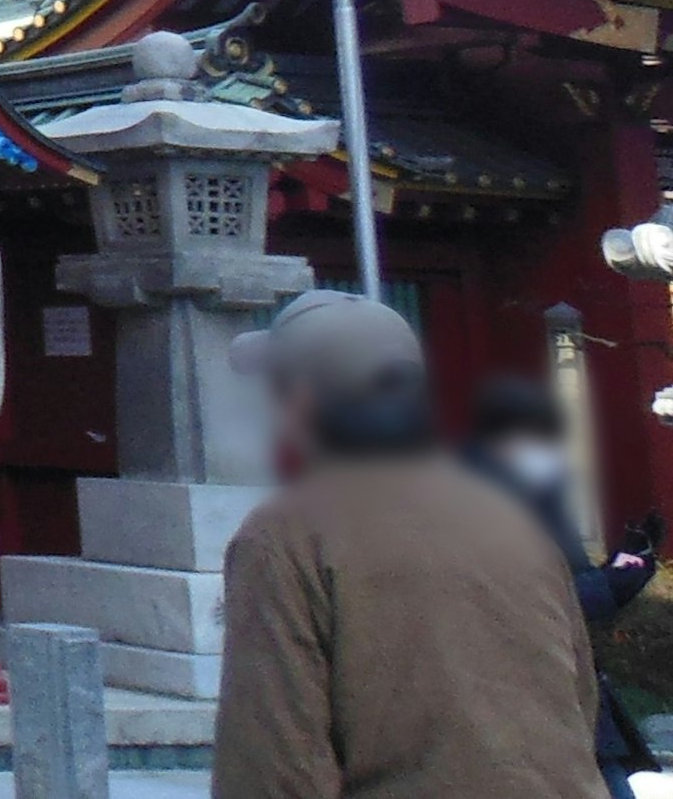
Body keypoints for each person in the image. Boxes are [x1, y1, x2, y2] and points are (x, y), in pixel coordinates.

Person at [213, 291, 602, 799]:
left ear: (301, 400)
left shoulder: (286, 534)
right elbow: (579, 703)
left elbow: (272, 758)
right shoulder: (510, 515)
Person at [466, 374, 664, 799]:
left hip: (569, 699)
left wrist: (627, 565)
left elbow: (568, 580)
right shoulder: (482, 500)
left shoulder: (534, 490)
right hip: (531, 704)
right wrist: (612, 582)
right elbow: (537, 601)